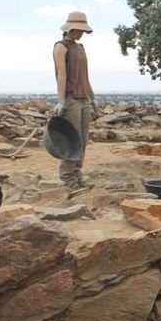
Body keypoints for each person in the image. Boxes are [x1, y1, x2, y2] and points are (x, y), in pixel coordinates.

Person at [53, 11, 96, 189]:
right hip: (70, 99)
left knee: (83, 140)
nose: (81, 34)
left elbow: (85, 76)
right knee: (72, 140)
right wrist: (61, 100)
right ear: (71, 28)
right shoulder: (61, 47)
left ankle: (77, 174)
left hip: (84, 98)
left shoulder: (80, 48)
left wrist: (92, 98)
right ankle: (67, 177)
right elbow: (61, 76)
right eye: (79, 30)